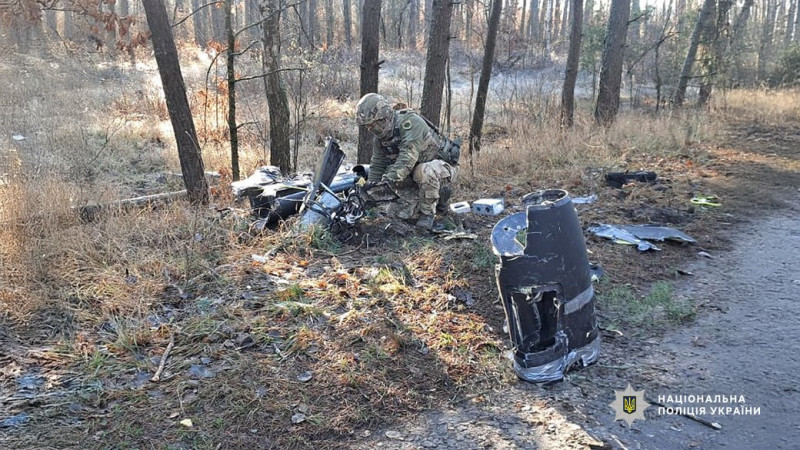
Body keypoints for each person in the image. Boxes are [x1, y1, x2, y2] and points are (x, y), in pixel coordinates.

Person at [355, 93, 458, 230]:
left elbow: (407, 158)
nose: (370, 129)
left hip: (441, 169)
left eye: (372, 124)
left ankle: (429, 212)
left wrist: (387, 181)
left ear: (383, 117)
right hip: (412, 174)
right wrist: (371, 189)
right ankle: (426, 201)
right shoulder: (381, 137)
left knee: (424, 170)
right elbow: (378, 164)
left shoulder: (410, 123)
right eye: (367, 126)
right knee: (400, 213)